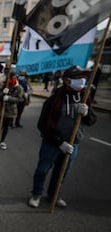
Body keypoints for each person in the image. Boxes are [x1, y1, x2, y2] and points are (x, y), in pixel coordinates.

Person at [28, 65, 97, 208]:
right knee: (42, 170)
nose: (82, 80)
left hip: (73, 144)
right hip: (52, 144)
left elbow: (91, 121)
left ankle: (54, 195)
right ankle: (36, 194)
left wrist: (87, 114)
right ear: (67, 80)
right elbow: (42, 124)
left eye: (83, 77)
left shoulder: (85, 97)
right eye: (78, 78)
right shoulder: (54, 99)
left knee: (62, 172)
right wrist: (59, 142)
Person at [0, 72, 24, 150]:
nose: (13, 79)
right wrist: (3, 93)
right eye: (11, 78)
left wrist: (9, 98)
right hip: (1, 109)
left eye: (14, 78)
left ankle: (2, 141)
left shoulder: (19, 88)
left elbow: (19, 99)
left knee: (6, 127)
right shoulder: (3, 86)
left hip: (10, 111)